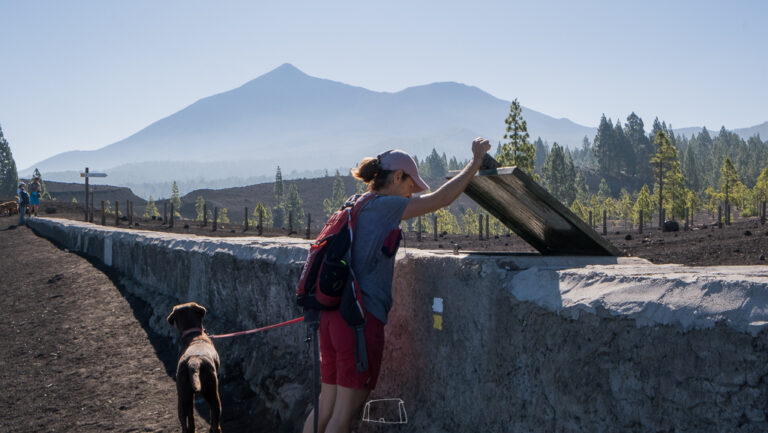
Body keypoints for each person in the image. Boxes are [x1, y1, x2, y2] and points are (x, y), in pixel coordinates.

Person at [302, 137, 491, 433]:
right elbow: (441, 200)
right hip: (357, 322)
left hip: (331, 315)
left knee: (325, 403)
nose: (411, 194)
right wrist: (475, 163)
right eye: (410, 186)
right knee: (346, 415)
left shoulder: (355, 203)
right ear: (398, 177)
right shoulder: (386, 206)